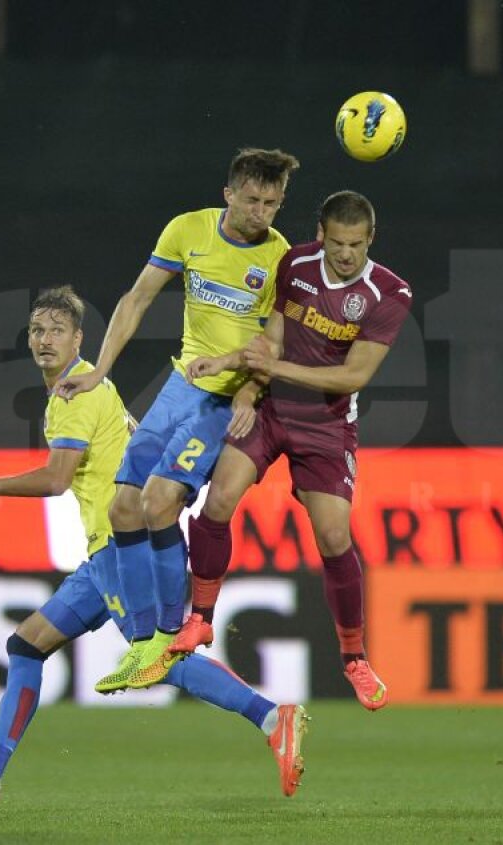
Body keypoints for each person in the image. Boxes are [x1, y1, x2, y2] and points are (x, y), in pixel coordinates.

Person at [0, 285, 308, 810]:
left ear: (79, 338)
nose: (45, 339)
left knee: (157, 656)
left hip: (123, 550)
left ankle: (270, 716)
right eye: (37, 330)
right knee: (27, 644)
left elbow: (58, 479)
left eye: (57, 330)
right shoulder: (86, 389)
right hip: (110, 552)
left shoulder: (73, 395)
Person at [55, 148, 301, 692]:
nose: (263, 212)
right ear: (229, 194)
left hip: (225, 400)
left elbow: (275, 340)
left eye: (274, 203)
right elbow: (137, 297)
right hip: (180, 385)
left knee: (159, 500)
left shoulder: (280, 259)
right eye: (254, 200)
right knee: (123, 507)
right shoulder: (187, 231)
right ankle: (144, 644)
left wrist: (253, 390)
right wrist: (98, 372)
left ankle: (169, 633)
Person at [163, 191, 413, 711]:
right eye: (337, 243)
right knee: (218, 501)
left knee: (333, 534)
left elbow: (355, 374)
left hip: (325, 424)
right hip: (272, 409)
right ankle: (201, 620)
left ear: (372, 239)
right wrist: (251, 388)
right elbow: (273, 337)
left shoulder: (388, 293)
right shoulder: (295, 262)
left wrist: (269, 372)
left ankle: (354, 658)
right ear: (321, 235)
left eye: (356, 244)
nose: (345, 254)